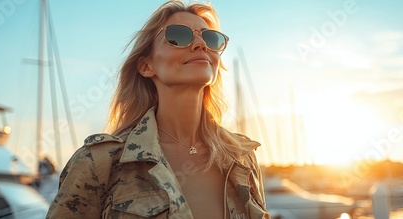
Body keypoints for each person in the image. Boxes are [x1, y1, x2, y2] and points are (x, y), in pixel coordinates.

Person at [46, 1, 269, 218]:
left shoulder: (241, 157)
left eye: (210, 38)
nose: (201, 44)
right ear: (146, 66)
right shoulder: (101, 162)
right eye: (179, 36)